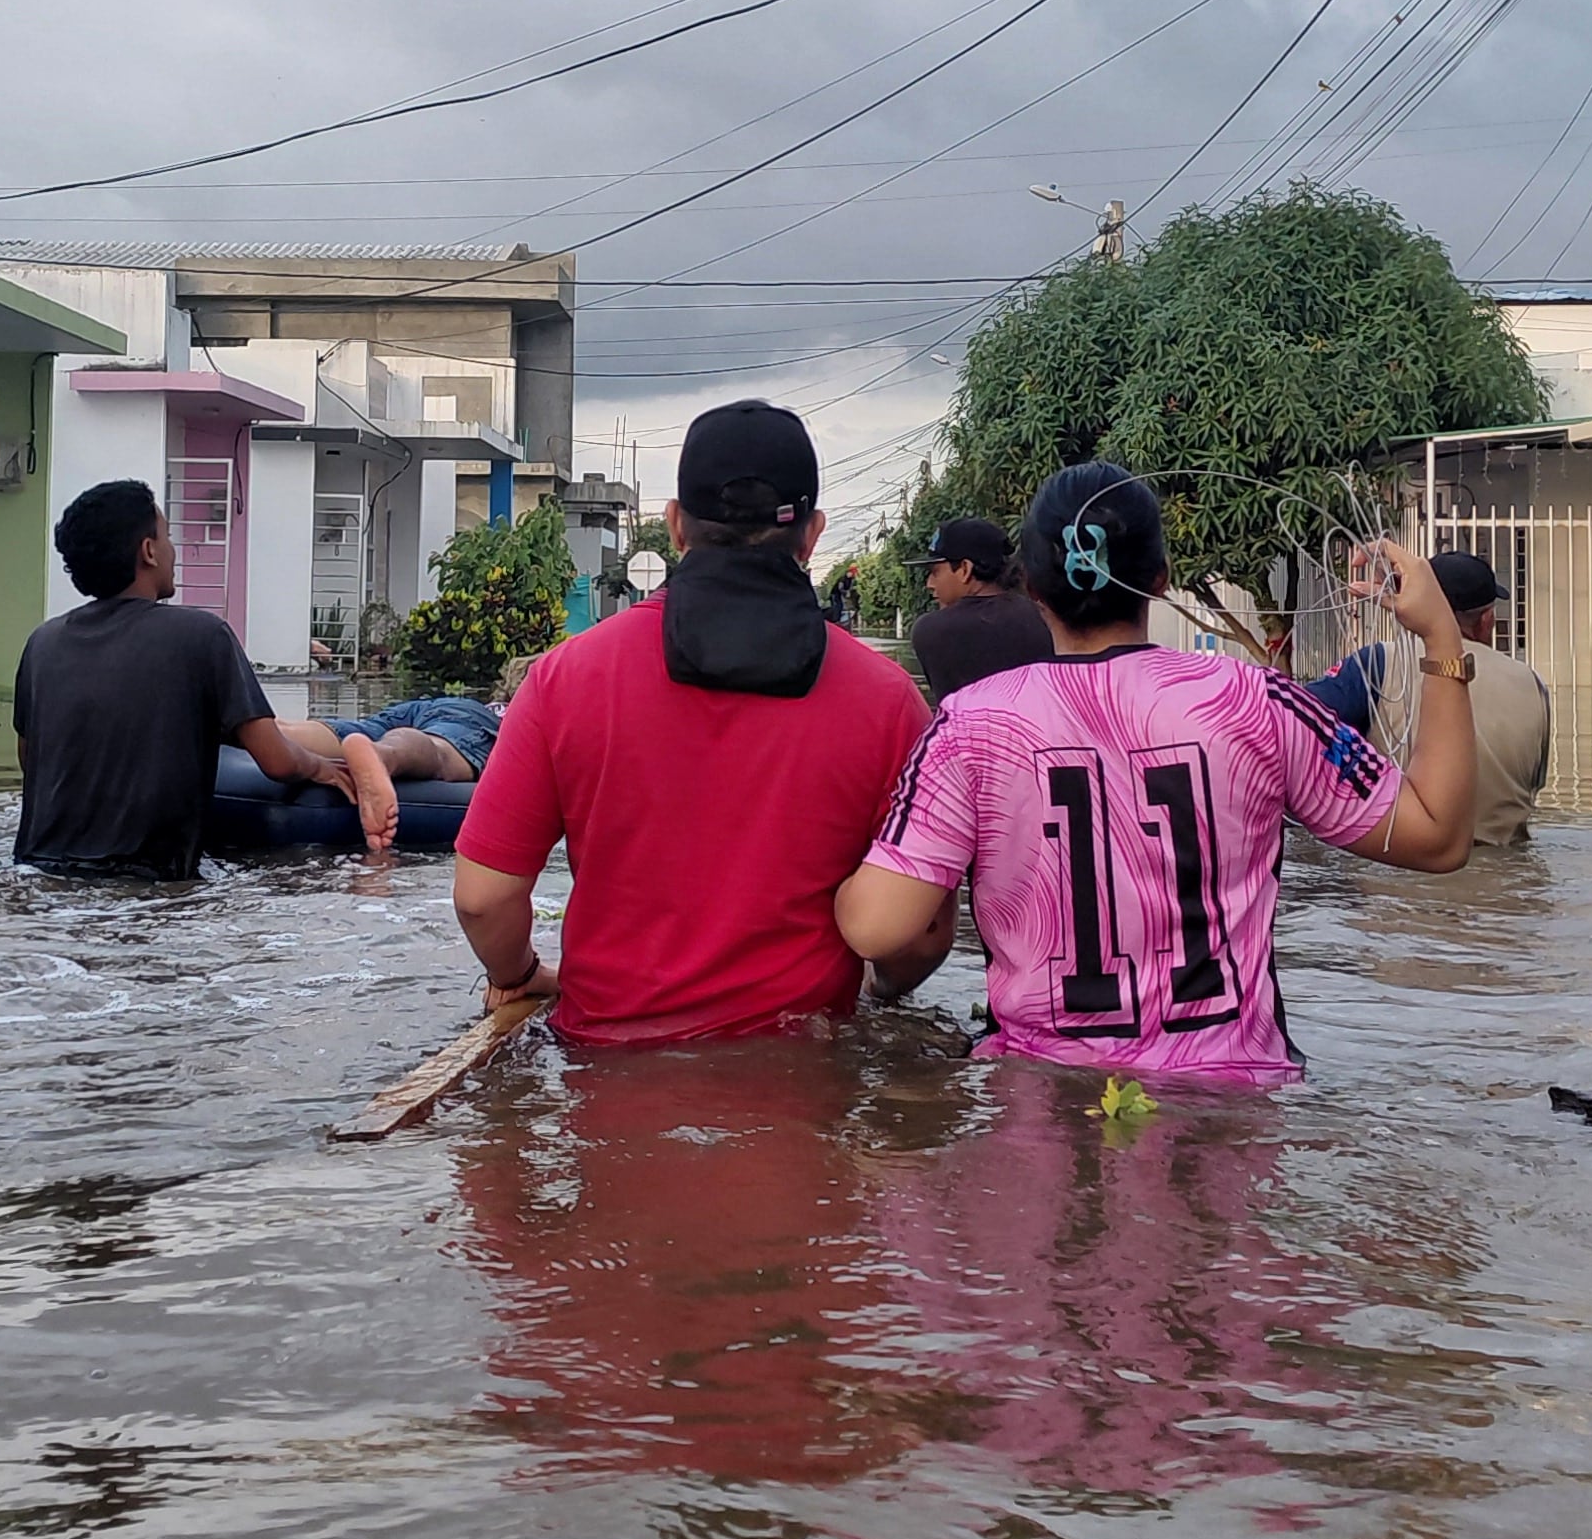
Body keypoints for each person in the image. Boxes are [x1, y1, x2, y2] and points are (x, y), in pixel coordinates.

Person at [834, 463, 1476, 1084]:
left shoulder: (971, 724)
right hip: (1234, 1097)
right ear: (1162, 579)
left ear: (1031, 587)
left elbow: (878, 928)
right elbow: (1439, 837)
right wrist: (1442, 639)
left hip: (1040, 1098)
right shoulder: (1253, 699)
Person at [451, 400, 928, 1044]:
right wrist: (878, 993)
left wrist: (524, 972)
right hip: (801, 1075)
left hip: (601, 1070)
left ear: (675, 526)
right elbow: (919, 933)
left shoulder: (565, 678)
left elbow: (482, 897)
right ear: (812, 534)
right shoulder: (891, 701)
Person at [9, 477, 351, 877]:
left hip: (38, 871)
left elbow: (29, 761)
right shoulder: (202, 636)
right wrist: (321, 767)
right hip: (149, 883)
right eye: (167, 536)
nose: (174, 551)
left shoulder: (43, 643)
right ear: (149, 551)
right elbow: (276, 760)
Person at [1303, 547, 1552, 845]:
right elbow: (1533, 785)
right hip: (1509, 876)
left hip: (1394, 872)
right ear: (1487, 620)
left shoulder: (1377, 664)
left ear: (1417, 605)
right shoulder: (1533, 684)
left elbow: (1294, 728)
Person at [262, 693, 499, 849]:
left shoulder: (478, 702)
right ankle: (382, 754)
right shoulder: (511, 714)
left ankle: (248, 727)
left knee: (307, 731)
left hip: (428, 706)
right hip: (472, 718)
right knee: (440, 752)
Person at [905, 513, 1057, 704]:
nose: (930, 583)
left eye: (935, 572)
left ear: (965, 569)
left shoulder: (930, 631)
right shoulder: (1047, 618)